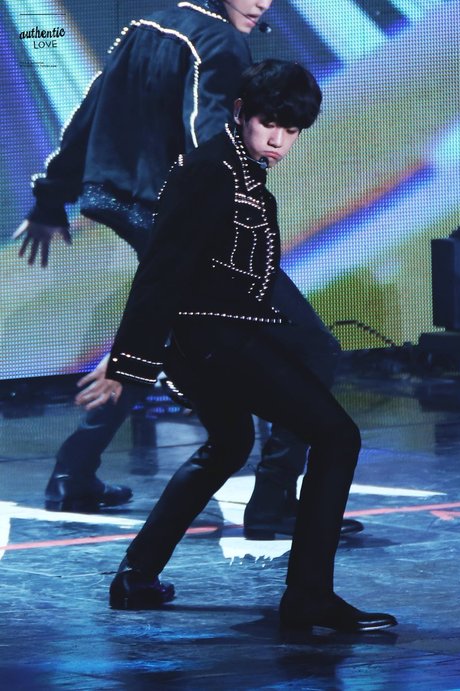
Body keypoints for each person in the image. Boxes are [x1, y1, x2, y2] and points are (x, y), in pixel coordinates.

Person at [14, 0, 362, 538]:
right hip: (180, 215)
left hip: (123, 202)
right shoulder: (219, 42)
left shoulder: (149, 24)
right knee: (312, 346)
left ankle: (73, 472)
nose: (263, 2)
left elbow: (90, 108)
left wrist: (51, 196)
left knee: (166, 329)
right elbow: (207, 142)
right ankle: (272, 500)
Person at [105, 59, 396, 632]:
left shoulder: (242, 171)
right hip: (212, 340)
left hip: (220, 335)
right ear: (240, 112)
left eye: (292, 130)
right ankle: (308, 596)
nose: (279, 140)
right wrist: (127, 365)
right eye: (270, 124)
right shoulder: (210, 169)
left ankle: (136, 576)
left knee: (230, 444)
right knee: (337, 436)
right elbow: (162, 269)